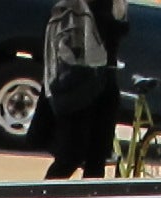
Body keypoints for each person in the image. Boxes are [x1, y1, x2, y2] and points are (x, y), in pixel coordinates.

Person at [42, 0, 129, 179]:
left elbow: (116, 33)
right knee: (70, 157)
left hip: (105, 84)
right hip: (78, 85)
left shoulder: (116, 5)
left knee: (96, 160)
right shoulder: (76, 6)